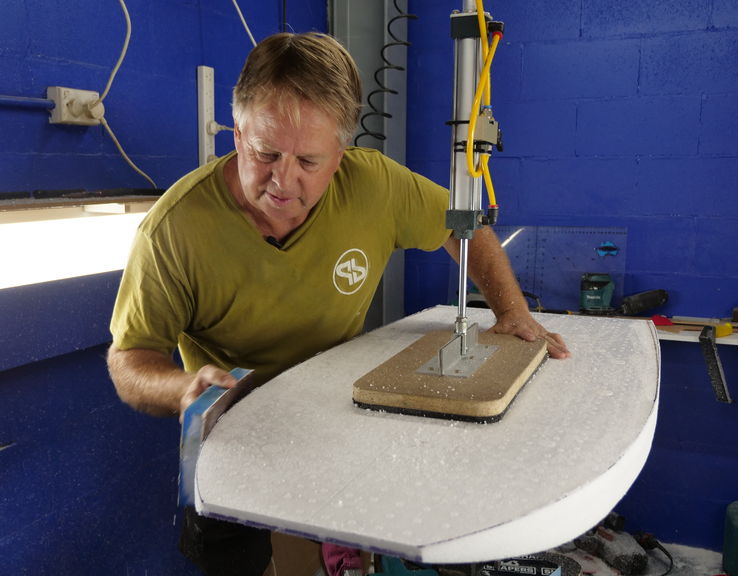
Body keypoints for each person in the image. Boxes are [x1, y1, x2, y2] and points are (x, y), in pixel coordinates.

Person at [107, 31, 570, 576]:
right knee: (234, 560)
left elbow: (464, 227)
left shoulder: (373, 185)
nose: (282, 180)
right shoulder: (174, 229)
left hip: (338, 411)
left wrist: (511, 312)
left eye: (308, 161)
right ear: (237, 132)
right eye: (265, 153)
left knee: (346, 540)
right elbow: (130, 360)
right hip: (236, 433)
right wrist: (182, 389)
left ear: (340, 157)